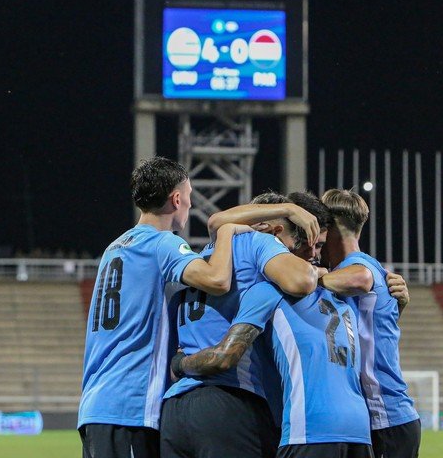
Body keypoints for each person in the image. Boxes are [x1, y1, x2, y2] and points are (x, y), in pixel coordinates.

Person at [171, 192, 378, 457]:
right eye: (308, 242)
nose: (313, 253)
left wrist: (180, 364)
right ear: (273, 231)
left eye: (319, 245)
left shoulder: (218, 267)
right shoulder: (338, 293)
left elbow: (224, 356)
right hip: (354, 428)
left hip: (185, 408)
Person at [77, 156, 252, 458]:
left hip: (97, 405)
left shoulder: (114, 247)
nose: (190, 205)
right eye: (190, 197)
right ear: (176, 198)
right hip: (129, 407)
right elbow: (218, 280)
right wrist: (226, 232)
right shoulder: (161, 243)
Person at [159, 192, 323, 458]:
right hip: (227, 403)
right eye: (295, 245)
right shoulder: (258, 242)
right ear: (274, 228)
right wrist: (320, 273)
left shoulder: (200, 261)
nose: (300, 254)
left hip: (175, 410)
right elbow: (299, 281)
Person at [320, 188, 420, 458]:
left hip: (386, 417)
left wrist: (306, 278)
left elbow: (361, 278)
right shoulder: (375, 270)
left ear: (330, 228)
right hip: (373, 419)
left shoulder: (359, 269)